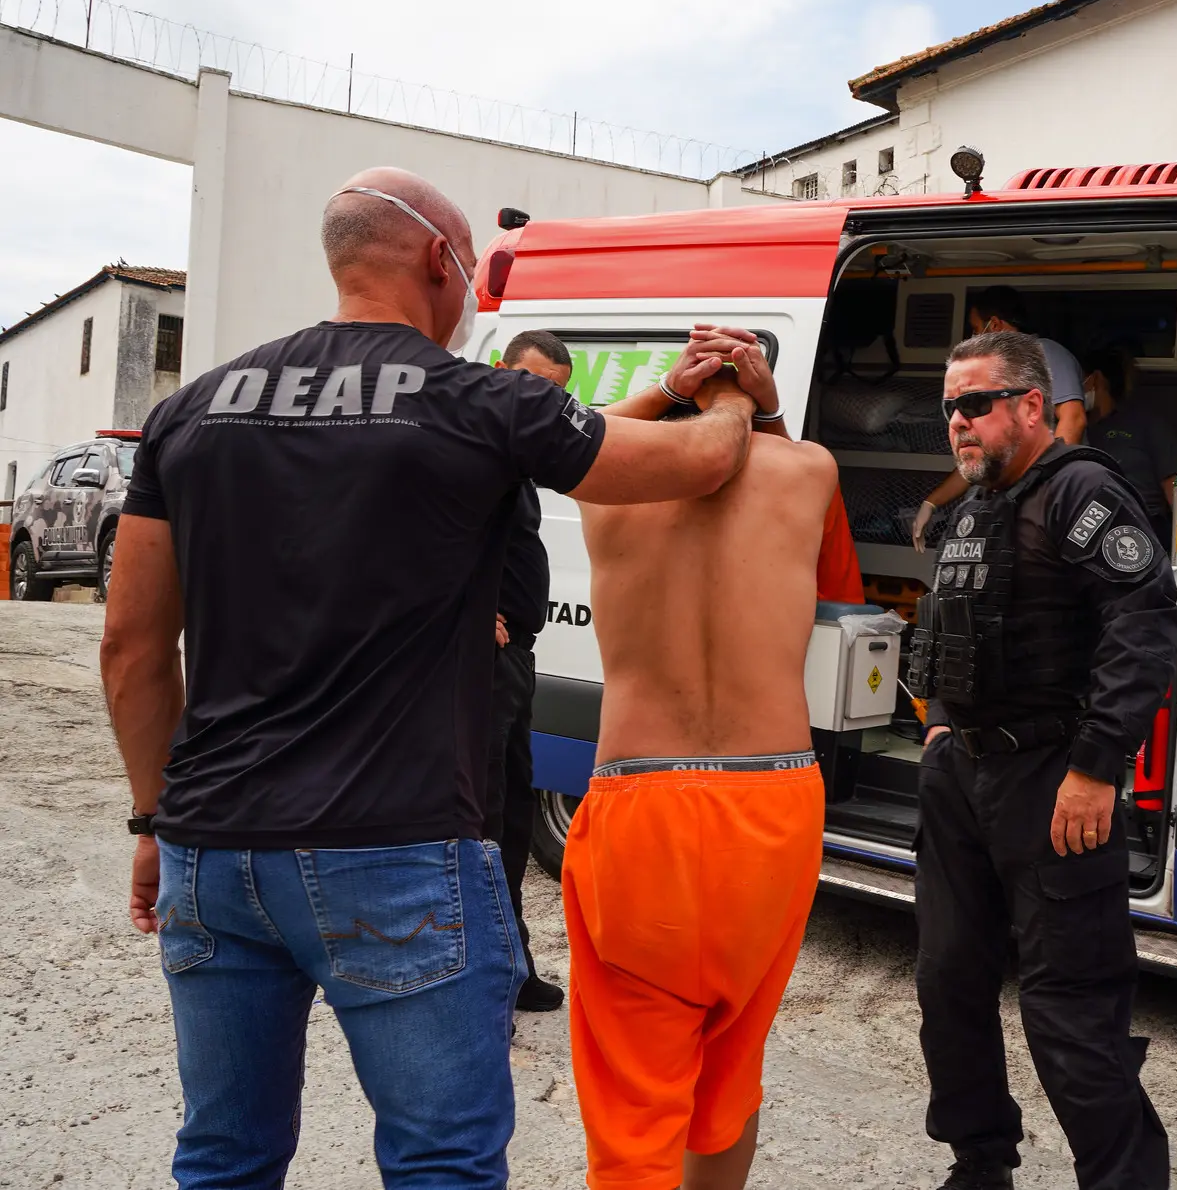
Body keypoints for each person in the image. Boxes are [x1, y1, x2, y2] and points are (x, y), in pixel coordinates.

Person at [98, 167, 755, 1188]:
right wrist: (726, 396)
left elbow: (132, 649)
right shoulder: (471, 402)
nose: (477, 306)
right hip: (394, 848)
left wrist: (155, 821)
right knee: (440, 1161)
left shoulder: (191, 412)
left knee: (223, 1156)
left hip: (212, 854)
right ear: (437, 262)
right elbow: (693, 465)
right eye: (476, 281)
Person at [561, 332, 837, 1190]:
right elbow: (772, 451)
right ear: (756, 393)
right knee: (730, 1067)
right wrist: (754, 398)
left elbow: (585, 434)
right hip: (776, 802)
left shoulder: (609, 493)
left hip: (644, 801)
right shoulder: (808, 471)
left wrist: (667, 390)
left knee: (635, 1087)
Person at [907, 329, 1177, 1190]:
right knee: (948, 982)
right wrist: (942, 726)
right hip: (963, 777)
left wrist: (1097, 768)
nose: (957, 421)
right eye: (949, 405)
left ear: (1030, 406)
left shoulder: (1083, 492)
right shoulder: (974, 504)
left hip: (1054, 779)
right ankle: (979, 1161)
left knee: (1069, 1009)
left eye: (975, 403)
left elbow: (1142, 632)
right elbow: (946, 627)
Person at [488, 328, 573, 1013]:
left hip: (515, 656)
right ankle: (489, 974)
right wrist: (464, 611)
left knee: (513, 819)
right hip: (483, 662)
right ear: (501, 372)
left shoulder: (517, 451)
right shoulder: (475, 446)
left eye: (559, 394)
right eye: (539, 386)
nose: (549, 404)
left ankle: (509, 966)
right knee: (487, 824)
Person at [912, 286, 1085, 551]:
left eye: (975, 328)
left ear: (994, 325)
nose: (972, 337)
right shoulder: (996, 373)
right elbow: (984, 453)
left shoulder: (1044, 353)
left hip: (1045, 500)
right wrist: (932, 502)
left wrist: (1044, 487)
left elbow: (1073, 420)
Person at [1080, 348, 1177, 547]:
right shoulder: (1072, 429)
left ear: (1096, 379)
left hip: (1143, 530)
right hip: (1089, 530)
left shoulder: (1146, 424)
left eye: (1079, 378)